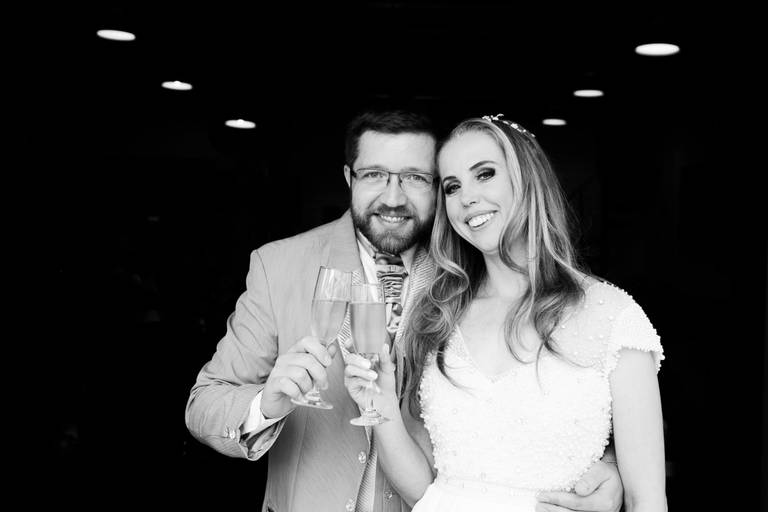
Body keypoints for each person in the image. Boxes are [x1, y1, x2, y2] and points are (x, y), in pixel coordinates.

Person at [185, 110, 626, 512]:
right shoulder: (278, 265)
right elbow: (204, 402)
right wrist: (267, 403)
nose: (394, 198)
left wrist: (601, 464)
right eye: (375, 174)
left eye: (416, 177)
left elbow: (538, 393)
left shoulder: (475, 267)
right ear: (348, 177)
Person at [344, 115, 667, 512]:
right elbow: (425, 488)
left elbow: (647, 500)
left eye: (485, 174)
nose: (466, 197)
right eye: (453, 186)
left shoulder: (612, 317)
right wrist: (381, 406)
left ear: (526, 179)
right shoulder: (439, 315)